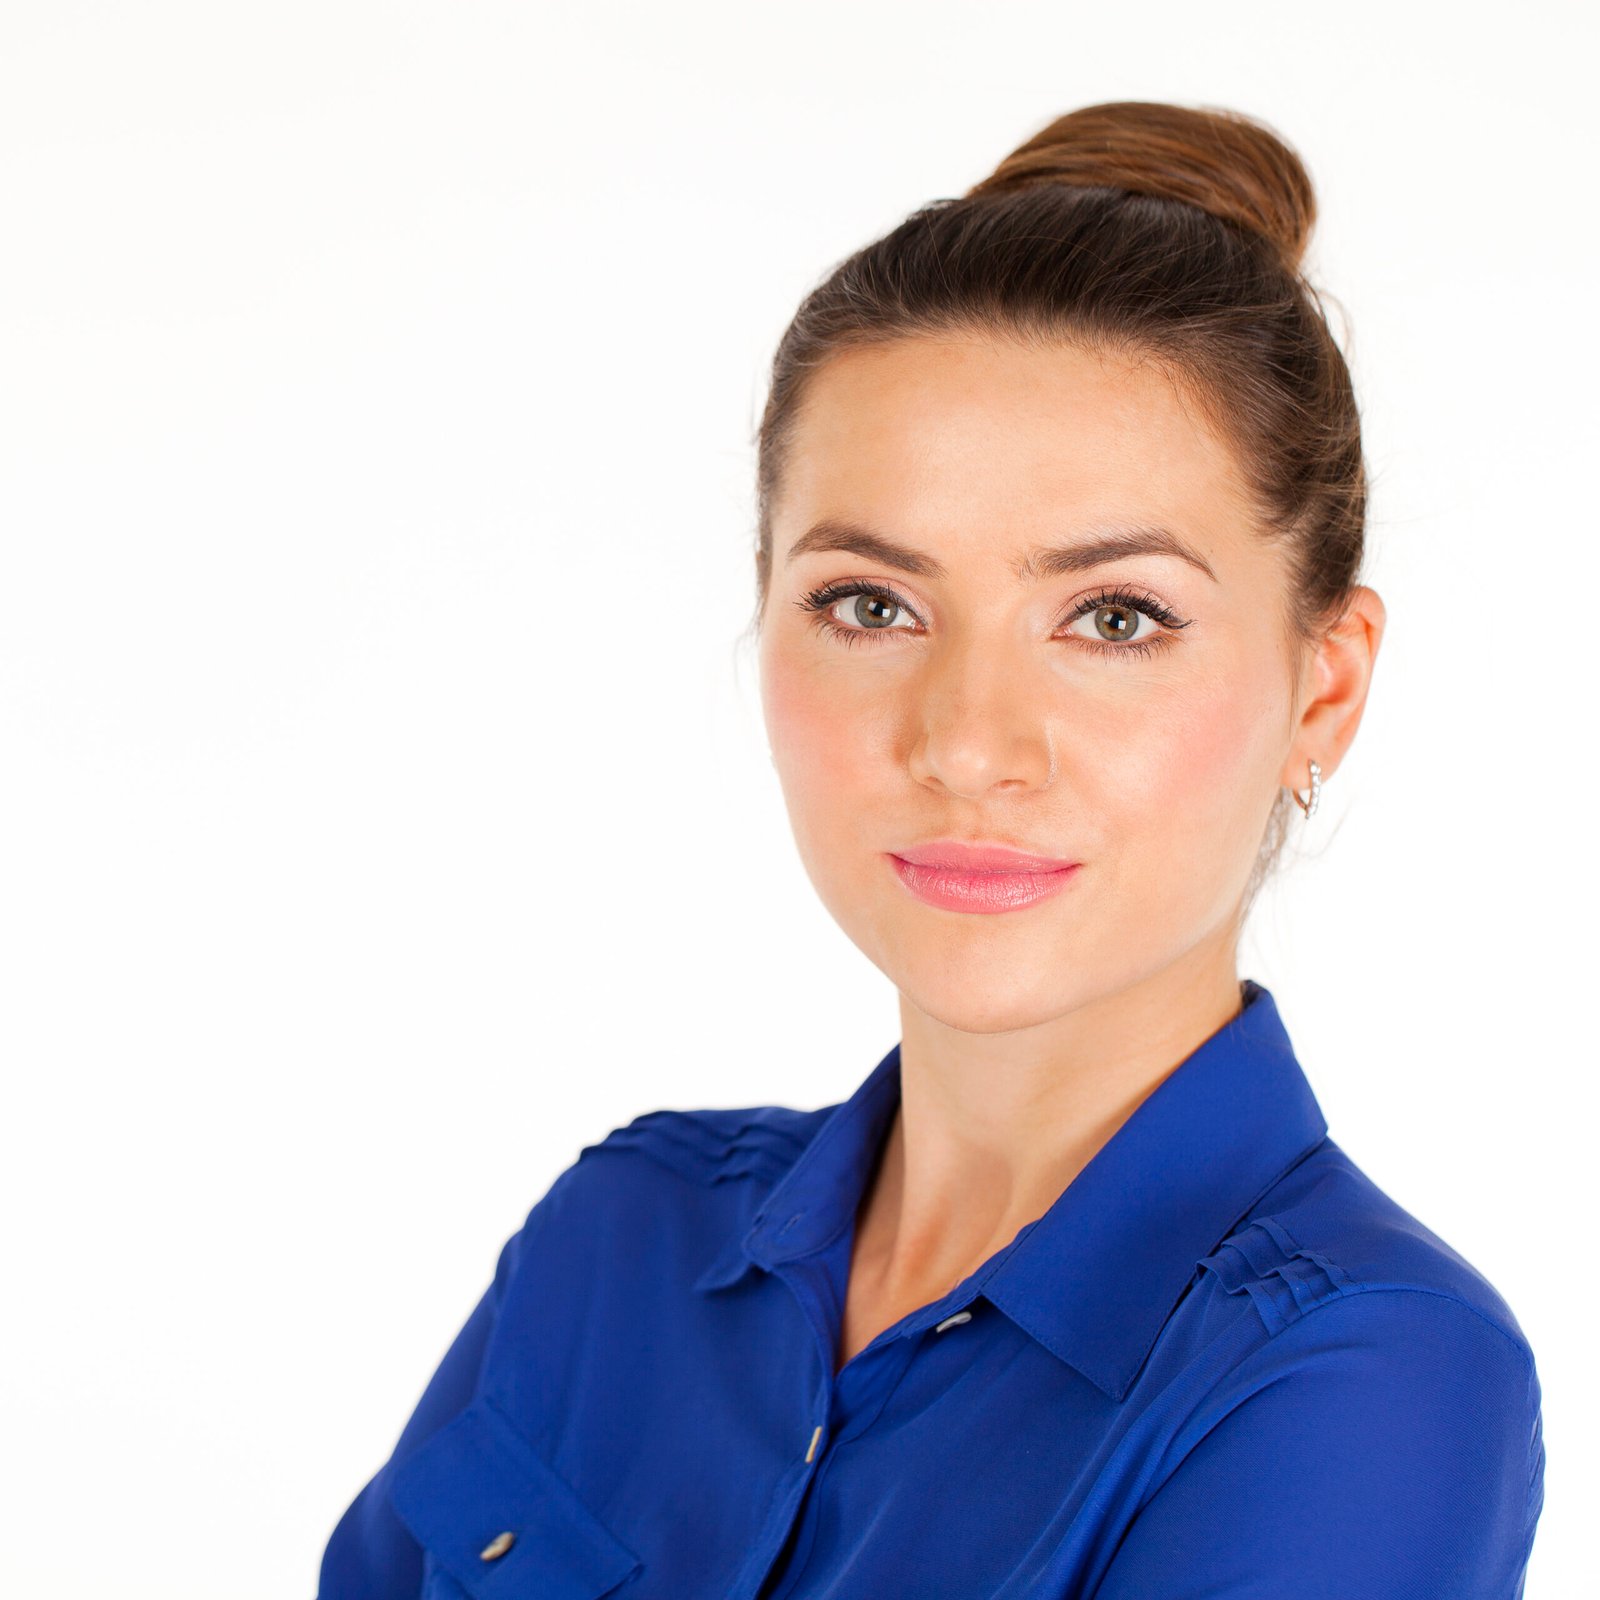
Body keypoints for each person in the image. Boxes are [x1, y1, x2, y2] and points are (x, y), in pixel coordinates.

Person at [317, 100, 1546, 1598]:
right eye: (872, 606)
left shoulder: (1368, 1382)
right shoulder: (617, 1238)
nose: (967, 742)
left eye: (1114, 618)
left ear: (1323, 688)